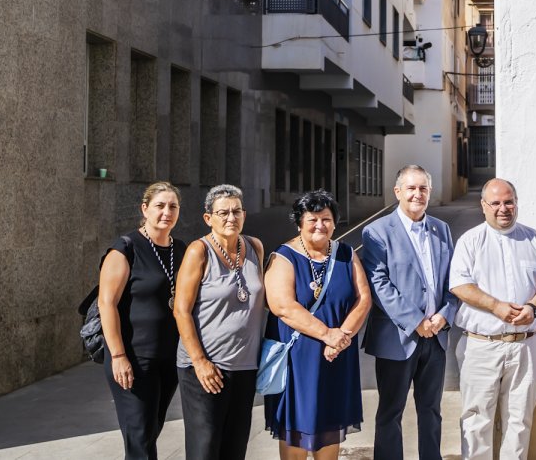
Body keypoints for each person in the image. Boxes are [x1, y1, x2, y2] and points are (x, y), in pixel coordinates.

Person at [450, 178, 536, 460]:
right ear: (483, 206)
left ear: (516, 203)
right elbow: (459, 285)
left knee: (519, 420)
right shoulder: (470, 241)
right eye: (496, 203)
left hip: (526, 346)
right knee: (476, 421)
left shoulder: (534, 239)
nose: (503, 208)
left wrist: (533, 307)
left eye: (509, 201)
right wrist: (495, 306)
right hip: (481, 345)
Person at [264, 189, 372, 459]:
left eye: (326, 219)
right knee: (297, 429)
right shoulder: (284, 257)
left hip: (336, 357)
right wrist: (328, 335)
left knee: (329, 424)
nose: (320, 225)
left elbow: (363, 299)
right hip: (298, 360)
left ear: (335, 222)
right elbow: (282, 307)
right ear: (299, 222)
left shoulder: (346, 253)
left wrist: (342, 337)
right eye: (312, 219)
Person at [361, 165, 456, 460]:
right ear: (398, 192)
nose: (418, 194)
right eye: (411, 188)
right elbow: (378, 283)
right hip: (397, 339)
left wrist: (444, 314)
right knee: (391, 412)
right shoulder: (376, 231)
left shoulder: (442, 229)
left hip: (436, 337)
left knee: (431, 410)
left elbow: (455, 281)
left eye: (423, 188)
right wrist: (416, 322)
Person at [173, 184, 266, 460]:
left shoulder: (255, 247)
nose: (230, 218)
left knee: (235, 448)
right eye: (222, 212)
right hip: (204, 367)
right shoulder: (198, 251)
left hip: (245, 365)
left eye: (236, 211)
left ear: (244, 215)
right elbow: (181, 310)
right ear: (208, 218)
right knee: (205, 448)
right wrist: (200, 362)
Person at [98, 181, 187, 460]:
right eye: (160, 205)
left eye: (173, 206)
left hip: (169, 357)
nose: (166, 212)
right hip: (134, 357)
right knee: (139, 434)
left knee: (149, 432)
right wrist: (118, 355)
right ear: (145, 209)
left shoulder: (180, 249)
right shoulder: (126, 248)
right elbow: (106, 303)